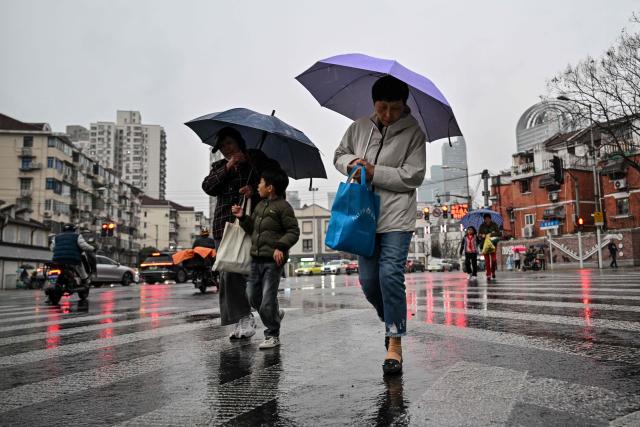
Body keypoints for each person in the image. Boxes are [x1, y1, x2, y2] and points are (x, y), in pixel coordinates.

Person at [334, 75, 426, 375]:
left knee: (389, 276)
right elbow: (339, 155)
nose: (388, 115)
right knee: (369, 283)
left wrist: (376, 172)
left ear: (404, 105)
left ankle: (395, 343)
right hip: (364, 217)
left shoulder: (414, 133)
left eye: (395, 108)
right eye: (383, 107)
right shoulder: (359, 127)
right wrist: (352, 164)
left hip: (397, 217)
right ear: (374, 104)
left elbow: (413, 176)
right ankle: (391, 320)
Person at [201, 126, 279, 339]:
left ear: (239, 142)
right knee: (228, 271)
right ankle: (243, 316)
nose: (226, 148)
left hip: (253, 223)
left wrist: (254, 190)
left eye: (230, 144)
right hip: (224, 227)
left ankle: (269, 310)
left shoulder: (256, 160)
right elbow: (208, 187)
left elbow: (277, 182)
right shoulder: (219, 166)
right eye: (222, 146)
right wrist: (229, 166)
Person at [232, 167, 300, 349]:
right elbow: (253, 229)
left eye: (261, 182)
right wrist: (242, 217)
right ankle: (275, 314)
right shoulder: (260, 205)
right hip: (256, 260)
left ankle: (272, 334)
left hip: (273, 262)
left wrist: (280, 246)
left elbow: (293, 231)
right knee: (252, 296)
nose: (258, 185)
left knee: (267, 300)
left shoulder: (283, 207)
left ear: (270, 187)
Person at [478, 213, 501, 282]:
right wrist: (482, 235)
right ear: (484, 219)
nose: (487, 220)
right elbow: (479, 235)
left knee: (494, 260)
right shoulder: (481, 226)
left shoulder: (494, 225)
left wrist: (491, 234)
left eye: (488, 218)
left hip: (493, 244)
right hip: (484, 245)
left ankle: (493, 271)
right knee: (487, 261)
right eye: (486, 219)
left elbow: (499, 233)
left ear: (490, 218)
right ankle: (488, 274)